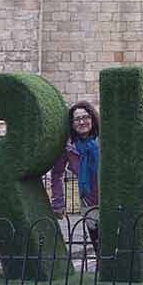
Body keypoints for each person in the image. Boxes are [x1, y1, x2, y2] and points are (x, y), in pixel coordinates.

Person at [49, 100, 100, 248]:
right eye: (77, 119)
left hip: (112, 198)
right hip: (89, 201)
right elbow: (57, 173)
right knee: (99, 246)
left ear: (92, 119)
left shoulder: (104, 140)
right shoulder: (69, 148)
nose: (82, 122)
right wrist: (58, 202)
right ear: (71, 124)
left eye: (85, 117)